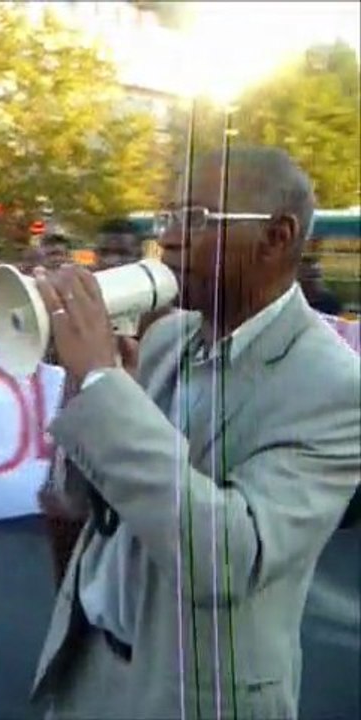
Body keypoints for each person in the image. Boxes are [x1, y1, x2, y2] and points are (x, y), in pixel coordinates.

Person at [30, 147, 360, 719]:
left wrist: (107, 392)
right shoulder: (166, 338)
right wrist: (86, 389)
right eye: (168, 218)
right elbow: (94, 503)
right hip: (87, 667)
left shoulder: (335, 387)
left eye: (197, 219)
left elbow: (228, 557)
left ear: (277, 237)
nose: (171, 240)